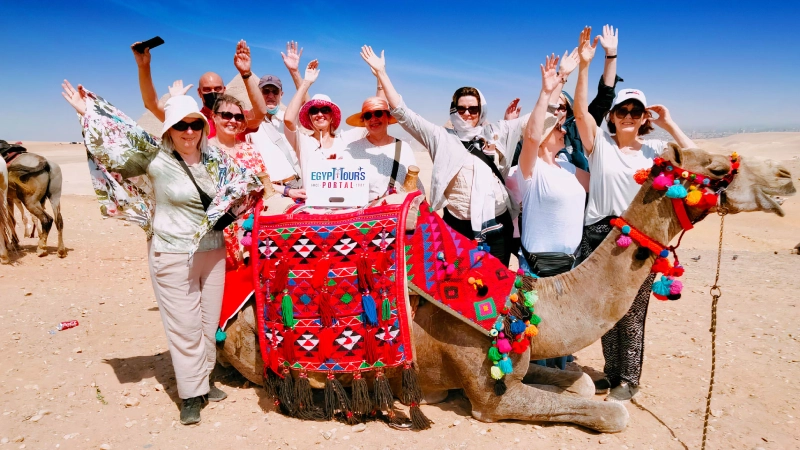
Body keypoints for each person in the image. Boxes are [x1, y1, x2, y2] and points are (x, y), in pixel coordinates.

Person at [61, 80, 260, 425]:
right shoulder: (154, 157)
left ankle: (204, 380)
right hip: (171, 254)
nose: (188, 131)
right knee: (183, 328)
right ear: (169, 129)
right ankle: (190, 394)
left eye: (194, 123)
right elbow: (116, 139)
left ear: (202, 125)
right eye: (180, 125)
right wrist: (88, 112)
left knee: (206, 324)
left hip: (212, 252)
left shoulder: (215, 160)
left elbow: (248, 183)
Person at [573, 26, 696, 401]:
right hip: (597, 236)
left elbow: (695, 162)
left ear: (644, 117)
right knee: (606, 311)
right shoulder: (599, 145)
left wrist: (671, 123)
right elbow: (580, 110)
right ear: (611, 116)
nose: (628, 116)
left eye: (635, 111)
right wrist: (584, 67)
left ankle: (630, 379)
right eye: (622, 110)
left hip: (639, 241)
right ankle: (611, 374)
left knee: (632, 313)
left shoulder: (655, 150)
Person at [360, 46, 528, 267]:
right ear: (453, 110)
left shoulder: (496, 133)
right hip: (456, 228)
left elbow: (533, 123)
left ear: (481, 111)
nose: (467, 113)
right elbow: (403, 113)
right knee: (459, 287)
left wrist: (553, 87)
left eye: (473, 109)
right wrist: (382, 73)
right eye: (461, 109)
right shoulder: (440, 137)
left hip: (497, 227)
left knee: (497, 288)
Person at [132, 39, 267, 139]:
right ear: (199, 93)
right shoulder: (193, 121)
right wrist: (144, 67)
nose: (213, 93)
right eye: (207, 89)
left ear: (224, 89)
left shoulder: (235, 119)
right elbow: (152, 104)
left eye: (217, 88)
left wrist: (246, 74)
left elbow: (260, 112)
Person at [208, 94, 269, 268]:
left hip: (249, 233)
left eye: (238, 117)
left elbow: (265, 186)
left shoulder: (250, 150)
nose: (232, 121)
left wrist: (289, 191)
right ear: (214, 117)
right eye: (226, 115)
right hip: (216, 233)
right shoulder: (202, 152)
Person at [283, 60, 365, 188]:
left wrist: (379, 76)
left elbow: (374, 118)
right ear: (309, 117)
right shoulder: (302, 142)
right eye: (314, 110)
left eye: (325, 110)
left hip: (343, 205)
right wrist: (306, 82)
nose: (320, 114)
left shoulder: (345, 140)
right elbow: (288, 119)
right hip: (312, 206)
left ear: (332, 116)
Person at [248, 41, 309, 200]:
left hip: (297, 185)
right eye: (265, 91)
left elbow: (309, 108)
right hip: (270, 191)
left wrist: (295, 72)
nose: (270, 95)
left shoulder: (287, 117)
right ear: (258, 93)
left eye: (274, 91)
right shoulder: (249, 122)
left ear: (281, 94)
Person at [343, 97, 424, 201]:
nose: (373, 119)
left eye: (378, 113)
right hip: (363, 214)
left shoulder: (403, 148)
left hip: (396, 212)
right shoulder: (352, 150)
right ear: (364, 121)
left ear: (388, 117)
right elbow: (344, 188)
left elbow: (414, 185)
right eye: (368, 116)